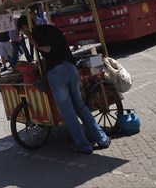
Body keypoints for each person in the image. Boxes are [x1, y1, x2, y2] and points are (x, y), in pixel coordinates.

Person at [17, 16, 111, 154]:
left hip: (57, 72)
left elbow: (48, 49)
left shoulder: (37, 32)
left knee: (68, 111)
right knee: (79, 105)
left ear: (25, 26)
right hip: (70, 67)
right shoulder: (51, 28)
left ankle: (83, 145)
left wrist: (33, 40)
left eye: (22, 30)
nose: (24, 33)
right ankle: (102, 139)